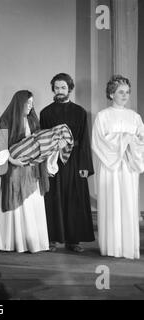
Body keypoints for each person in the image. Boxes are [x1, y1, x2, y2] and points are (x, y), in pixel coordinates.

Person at [40, 73, 95, 253]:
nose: (60, 91)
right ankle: (52, 239)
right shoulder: (46, 112)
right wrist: (45, 165)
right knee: (53, 199)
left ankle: (73, 240)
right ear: (53, 89)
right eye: (56, 88)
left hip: (75, 161)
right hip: (53, 161)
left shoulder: (80, 112)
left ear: (70, 89)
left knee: (74, 200)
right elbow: (42, 139)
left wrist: (85, 166)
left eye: (63, 87)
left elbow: (85, 140)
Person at [92, 75, 144, 259]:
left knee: (129, 205)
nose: (125, 95)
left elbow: (141, 141)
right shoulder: (103, 116)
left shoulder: (135, 117)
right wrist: (124, 139)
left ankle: (129, 248)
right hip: (110, 167)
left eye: (127, 92)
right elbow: (98, 142)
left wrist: (133, 142)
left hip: (129, 166)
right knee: (112, 203)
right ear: (111, 93)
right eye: (121, 92)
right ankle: (111, 247)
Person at [0, 90, 49, 253]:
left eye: (32, 103)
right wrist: (12, 160)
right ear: (19, 103)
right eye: (27, 103)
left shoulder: (33, 121)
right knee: (16, 205)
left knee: (32, 204)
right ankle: (11, 242)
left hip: (31, 171)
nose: (30, 106)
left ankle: (32, 242)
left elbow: (40, 142)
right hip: (14, 171)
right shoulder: (5, 121)